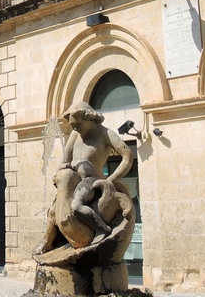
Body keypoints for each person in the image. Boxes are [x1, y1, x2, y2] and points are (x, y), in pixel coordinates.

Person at [36, 101, 135, 255]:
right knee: (53, 210)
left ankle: (101, 229)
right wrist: (60, 172)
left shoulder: (105, 134)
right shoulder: (76, 134)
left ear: (89, 118)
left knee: (76, 206)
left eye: (77, 124)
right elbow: (65, 159)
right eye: (73, 125)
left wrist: (111, 180)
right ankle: (47, 242)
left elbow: (127, 156)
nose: (75, 128)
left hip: (91, 181)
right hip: (73, 181)